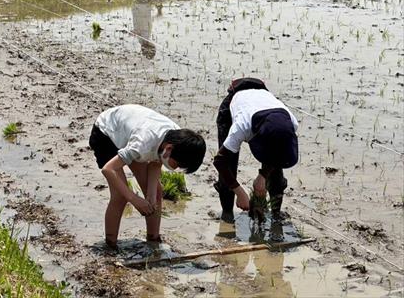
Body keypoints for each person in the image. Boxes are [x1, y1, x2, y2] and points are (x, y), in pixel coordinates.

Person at [89, 104, 206, 248]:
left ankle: (153, 240)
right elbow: (109, 169)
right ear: (168, 149)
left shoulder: (177, 138)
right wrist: (134, 199)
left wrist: (150, 192)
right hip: (106, 133)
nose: (176, 168)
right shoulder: (143, 143)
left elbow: (156, 162)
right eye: (177, 164)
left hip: (130, 133)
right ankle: (110, 244)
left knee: (156, 192)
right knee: (119, 196)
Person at [213, 78, 299, 223]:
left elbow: (278, 155)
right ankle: (227, 213)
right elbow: (220, 161)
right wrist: (239, 191)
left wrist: (262, 176)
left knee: (278, 162)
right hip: (235, 105)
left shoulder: (291, 122)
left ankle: (275, 214)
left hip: (267, 110)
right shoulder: (241, 127)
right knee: (230, 165)